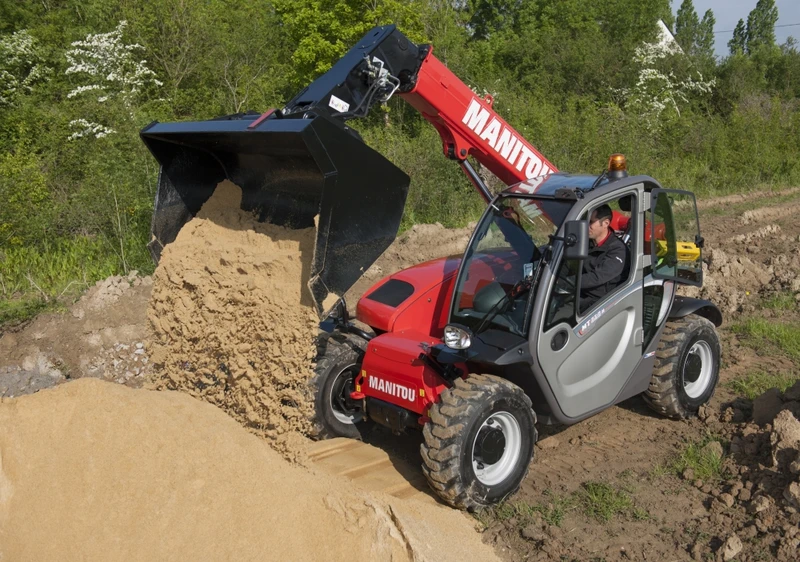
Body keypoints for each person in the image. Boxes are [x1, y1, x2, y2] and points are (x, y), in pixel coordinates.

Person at [579, 204, 628, 312]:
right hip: (580, 292)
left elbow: (597, 278)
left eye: (591, 222)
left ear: (605, 223)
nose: (585, 226)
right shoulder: (584, 241)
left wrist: (569, 283)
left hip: (599, 302)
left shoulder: (618, 250)